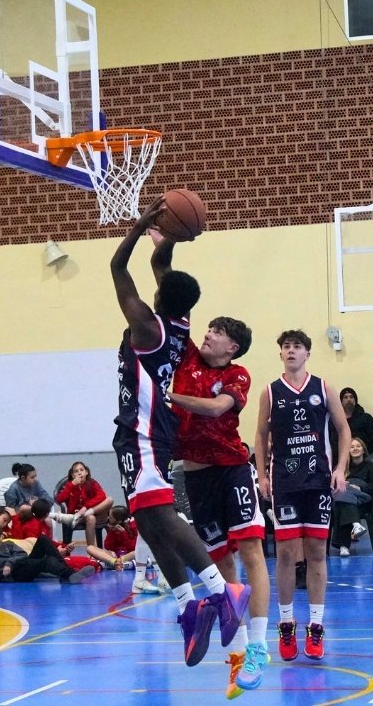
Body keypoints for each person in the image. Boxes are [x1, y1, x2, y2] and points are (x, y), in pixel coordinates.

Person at [109, 199, 249, 668]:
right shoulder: (180, 322)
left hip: (144, 431)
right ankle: (189, 606)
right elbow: (161, 268)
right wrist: (167, 238)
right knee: (148, 523)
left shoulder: (147, 328)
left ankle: (223, 590)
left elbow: (118, 268)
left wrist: (139, 226)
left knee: (162, 517)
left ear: (156, 300)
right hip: (149, 430)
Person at [168, 313, 270, 696]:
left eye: (219, 332)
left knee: (251, 550)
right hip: (197, 478)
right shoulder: (188, 357)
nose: (209, 334)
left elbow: (214, 408)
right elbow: (176, 311)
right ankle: (238, 654)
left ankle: (258, 646)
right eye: (209, 329)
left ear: (233, 347)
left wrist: (169, 397)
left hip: (232, 470)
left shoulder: (237, 375)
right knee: (222, 563)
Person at [255, 328, 351, 663]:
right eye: (286, 346)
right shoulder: (270, 391)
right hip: (284, 481)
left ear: (307, 353)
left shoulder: (323, 387)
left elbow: (343, 429)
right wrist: (262, 475)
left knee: (316, 553)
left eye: (297, 346)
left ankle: (316, 626)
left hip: (318, 479)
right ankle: (285, 623)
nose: (291, 351)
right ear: (280, 353)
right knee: (285, 554)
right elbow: (260, 435)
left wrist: (340, 469)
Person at [0, 523, 96, 585]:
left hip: (21, 564)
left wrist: (9, 562)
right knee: (46, 561)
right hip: (15, 574)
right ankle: (69, 574)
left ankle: (68, 574)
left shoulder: (8, 544)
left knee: (43, 539)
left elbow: (22, 555)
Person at [330, 437, 373, 556]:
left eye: (358, 446)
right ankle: (355, 524)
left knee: (343, 496)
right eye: (352, 447)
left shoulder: (370, 466)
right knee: (342, 501)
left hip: (365, 503)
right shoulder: (342, 468)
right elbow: (332, 485)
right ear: (348, 451)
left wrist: (360, 488)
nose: (355, 448)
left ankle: (344, 546)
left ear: (363, 450)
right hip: (347, 503)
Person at [54, 461, 113, 547]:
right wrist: (71, 485)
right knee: (91, 518)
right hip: (76, 517)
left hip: (94, 514)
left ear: (86, 472)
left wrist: (85, 507)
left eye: (81, 470)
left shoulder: (92, 483)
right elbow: (59, 499)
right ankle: (91, 550)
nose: (79, 473)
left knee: (110, 500)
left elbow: (102, 495)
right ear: (73, 475)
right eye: (76, 471)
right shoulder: (69, 485)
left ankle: (83, 514)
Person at [338, 387, 373, 455]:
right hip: (341, 459)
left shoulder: (366, 418)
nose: (349, 399)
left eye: (351, 397)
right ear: (341, 401)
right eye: (345, 397)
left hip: (360, 459)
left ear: (355, 400)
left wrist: (362, 452)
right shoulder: (336, 421)